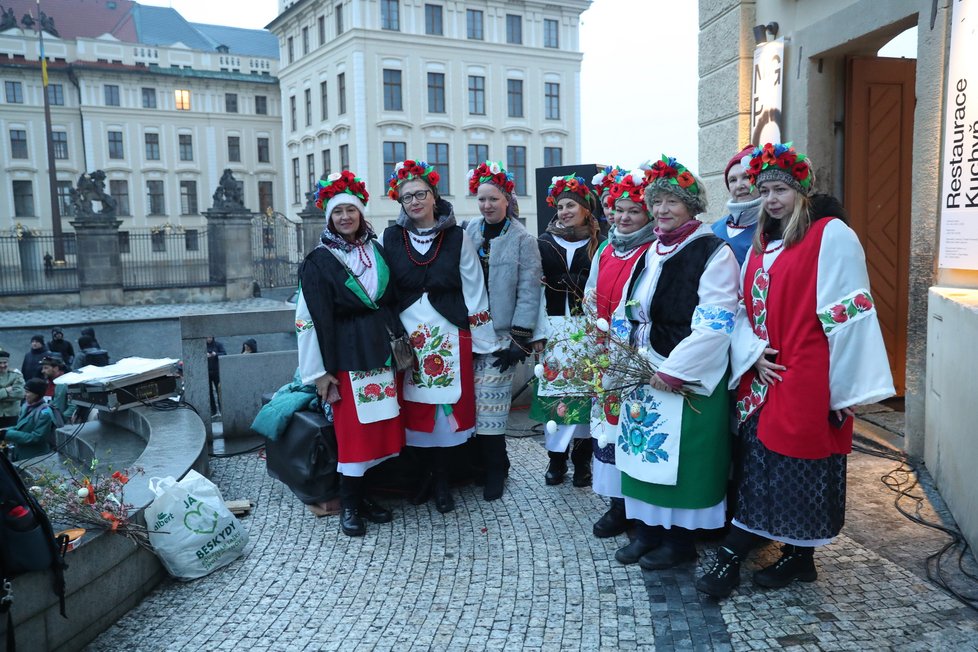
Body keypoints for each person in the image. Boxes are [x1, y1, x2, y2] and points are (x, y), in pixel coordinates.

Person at [695, 143, 894, 598]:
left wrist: (842, 392)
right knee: (761, 470)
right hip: (765, 377)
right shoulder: (764, 244)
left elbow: (849, 312)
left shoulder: (831, 234)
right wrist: (753, 353)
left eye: (780, 189)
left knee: (795, 469)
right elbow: (743, 311)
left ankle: (737, 556)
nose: (771, 199)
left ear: (802, 191)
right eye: (765, 190)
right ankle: (800, 559)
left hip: (808, 375)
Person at [612, 155, 740, 570]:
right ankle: (647, 531)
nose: (662, 210)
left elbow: (716, 322)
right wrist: (618, 352)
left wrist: (674, 369)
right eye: (658, 201)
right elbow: (630, 308)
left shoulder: (712, 252)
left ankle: (680, 540)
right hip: (642, 368)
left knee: (681, 459)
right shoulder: (651, 251)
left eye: (672, 202)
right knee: (642, 453)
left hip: (682, 373)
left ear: (692, 206)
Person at [383, 159, 496, 514]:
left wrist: (482, 340)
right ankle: (423, 476)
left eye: (421, 194)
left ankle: (444, 479)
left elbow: (474, 287)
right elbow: (385, 290)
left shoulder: (457, 236)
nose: (414, 202)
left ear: (434, 196)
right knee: (415, 410)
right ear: (400, 203)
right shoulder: (391, 237)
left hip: (449, 335)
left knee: (445, 412)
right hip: (409, 337)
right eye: (407, 197)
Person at [296, 170, 405, 535]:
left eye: (351, 211)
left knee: (378, 430)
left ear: (361, 215)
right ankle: (349, 506)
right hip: (344, 357)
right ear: (329, 217)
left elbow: (389, 301)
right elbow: (308, 320)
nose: (345, 217)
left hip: (379, 353)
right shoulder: (318, 260)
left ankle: (367, 496)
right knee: (354, 435)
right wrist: (319, 373)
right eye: (338, 211)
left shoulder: (376, 250)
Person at [583, 168, 658, 539]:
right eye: (619, 209)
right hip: (606, 352)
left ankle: (639, 506)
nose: (624, 217)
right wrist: (591, 317)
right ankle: (616, 504)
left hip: (636, 354)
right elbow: (591, 291)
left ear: (647, 215)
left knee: (635, 427)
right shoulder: (606, 248)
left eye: (634, 211)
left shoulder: (650, 251)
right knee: (607, 428)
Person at [464, 161, 543, 501]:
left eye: (493, 199)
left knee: (493, 409)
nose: (487, 206)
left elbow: (529, 289)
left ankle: (498, 467)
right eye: (482, 199)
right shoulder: (469, 232)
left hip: (501, 336)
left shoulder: (523, 239)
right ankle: (477, 465)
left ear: (507, 200)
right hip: (468, 333)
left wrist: (520, 336)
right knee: (469, 406)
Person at [531, 174, 603, 488]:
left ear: (586, 209)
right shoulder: (543, 242)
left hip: (588, 330)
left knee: (586, 399)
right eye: (560, 206)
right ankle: (556, 460)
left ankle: (582, 462)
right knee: (556, 399)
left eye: (570, 205)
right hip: (554, 327)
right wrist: (535, 332)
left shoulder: (600, 242)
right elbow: (532, 290)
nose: (563, 211)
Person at [711, 145, 762, 265]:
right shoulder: (714, 230)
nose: (739, 185)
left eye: (747, 177)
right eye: (733, 180)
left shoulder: (774, 229)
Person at [1, 378, 55, 461]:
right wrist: (3, 431)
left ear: (37, 394)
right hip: (20, 454)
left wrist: (7, 434)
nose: (24, 395)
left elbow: (36, 437)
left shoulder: (45, 413)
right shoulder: (25, 406)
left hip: (35, 458)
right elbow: (19, 427)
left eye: (28, 392)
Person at [41, 354, 75, 424]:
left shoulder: (67, 383)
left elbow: (73, 406)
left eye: (46, 368)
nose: (42, 371)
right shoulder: (47, 382)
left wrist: (60, 419)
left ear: (56, 368)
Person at [0, 351, 25, 429]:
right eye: (0, 363)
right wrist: (6, 390)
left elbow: (20, 394)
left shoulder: (16, 375)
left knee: (10, 438)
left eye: (5, 362)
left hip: (12, 415)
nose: (2, 365)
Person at [206, 336, 226, 418]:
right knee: (209, 393)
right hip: (206, 372)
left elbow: (224, 353)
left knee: (220, 391)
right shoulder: (202, 345)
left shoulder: (218, 345)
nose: (209, 339)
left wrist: (216, 354)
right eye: (207, 337)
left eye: (210, 337)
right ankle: (213, 411)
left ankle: (222, 410)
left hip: (217, 371)